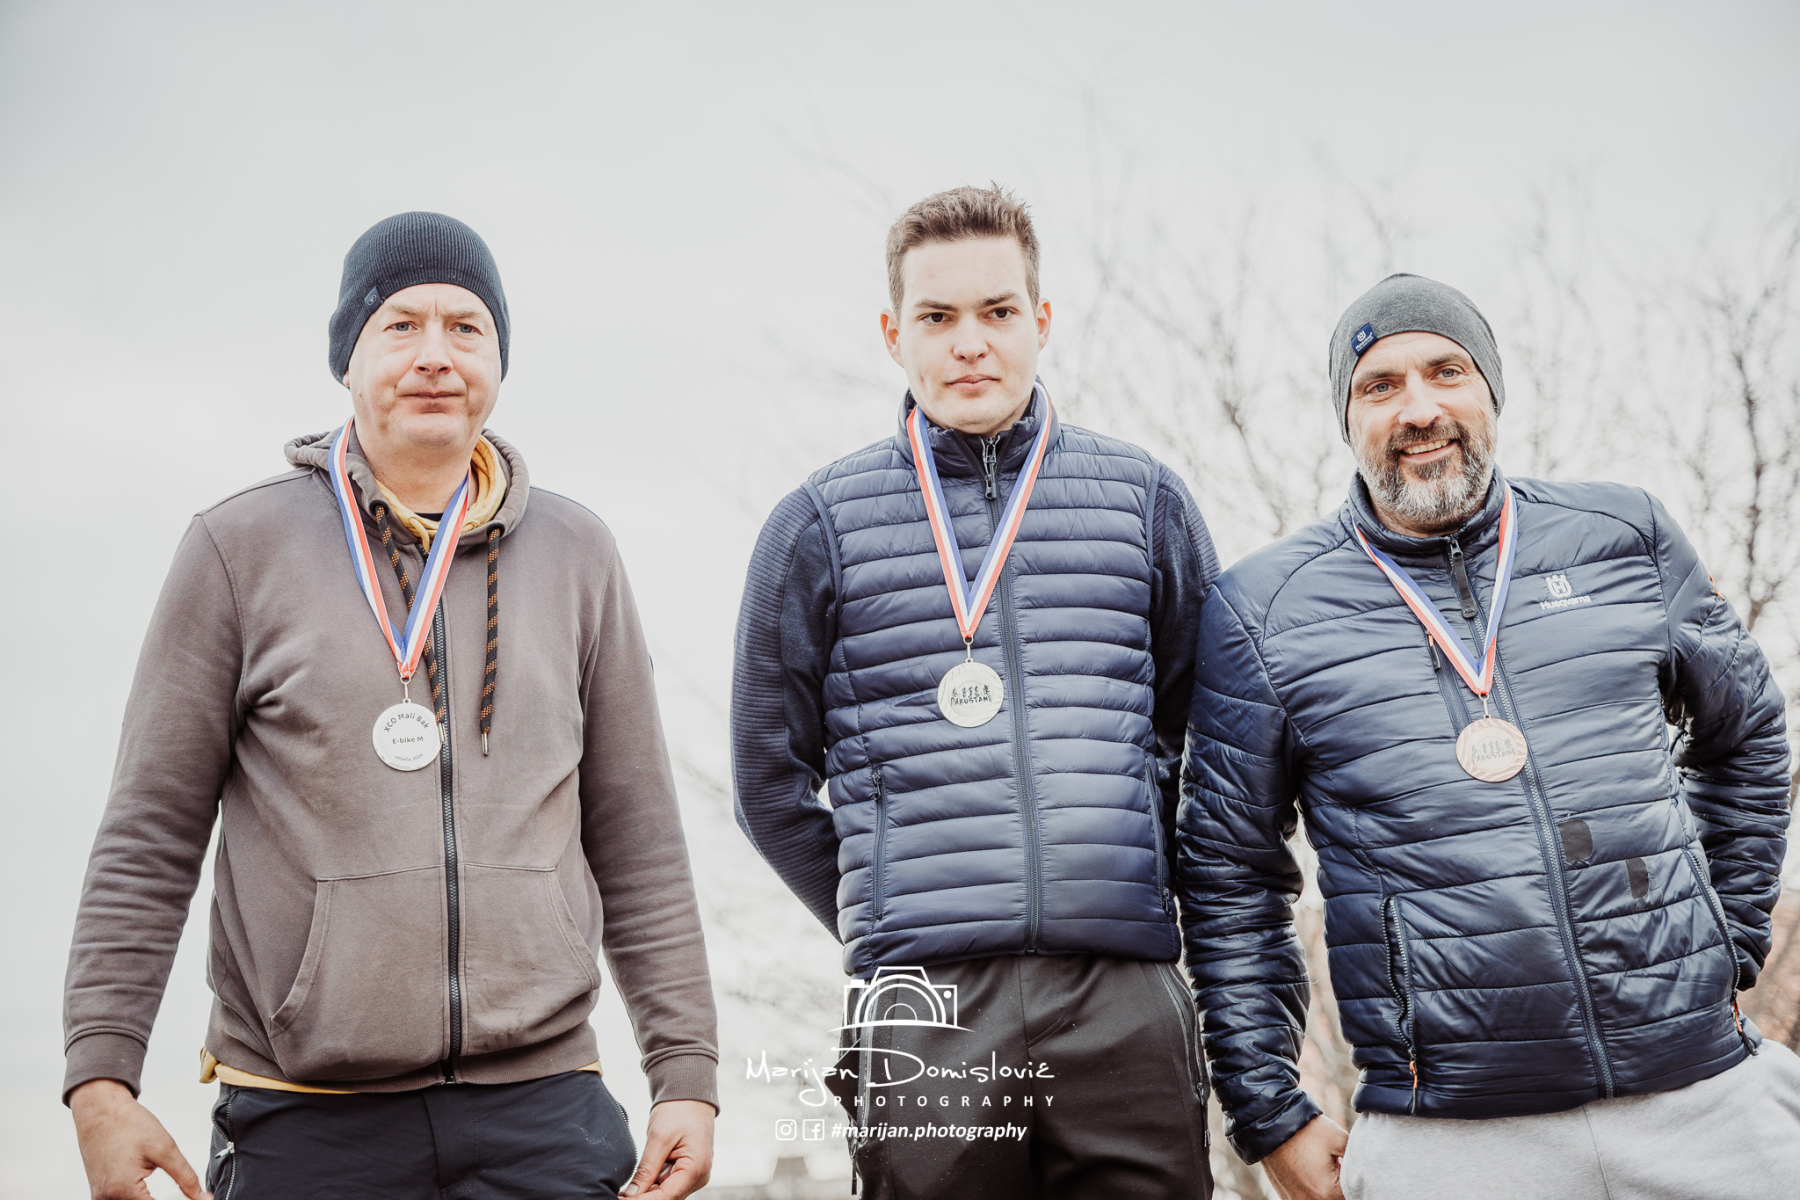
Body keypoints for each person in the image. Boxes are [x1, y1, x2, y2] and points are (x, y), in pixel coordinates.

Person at [63, 212, 718, 1200]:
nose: (435, 356)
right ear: (348, 356)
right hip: (304, 1119)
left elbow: (640, 836)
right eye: (400, 325)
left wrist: (687, 1076)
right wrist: (101, 1085)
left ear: (498, 358)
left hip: (544, 1108)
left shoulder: (580, 555)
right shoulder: (236, 550)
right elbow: (148, 833)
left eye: (467, 328)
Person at [1176, 272, 1798, 1200]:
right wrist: (1268, 1110)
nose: (1419, 409)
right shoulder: (1263, 610)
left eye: (1447, 371)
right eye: (1379, 386)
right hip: (1449, 1136)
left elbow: (1747, 736)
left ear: (1491, 390)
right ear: (1347, 419)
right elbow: (1228, 873)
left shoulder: (1625, 536)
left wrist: (1726, 938)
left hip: (1704, 1100)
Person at [731, 185, 1218, 1199]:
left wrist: (1135, 891)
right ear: (892, 334)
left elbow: (1211, 753)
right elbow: (767, 785)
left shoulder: (1147, 503)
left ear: (1041, 320)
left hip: (1123, 998)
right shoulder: (816, 526)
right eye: (937, 317)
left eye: (998, 312)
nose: (969, 344)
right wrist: (889, 920)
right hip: (929, 1011)